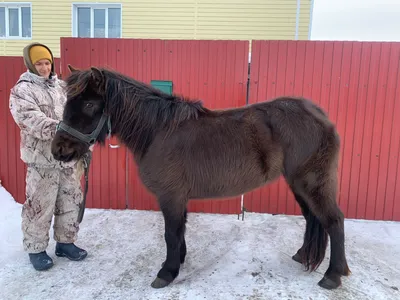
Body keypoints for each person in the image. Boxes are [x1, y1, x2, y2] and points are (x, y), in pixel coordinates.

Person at [9, 42, 89, 271]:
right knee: (40, 205)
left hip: (67, 159)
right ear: (30, 65)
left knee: (70, 201)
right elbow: (29, 120)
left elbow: (76, 115)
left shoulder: (62, 87)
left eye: (47, 62)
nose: (44, 68)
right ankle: (36, 249)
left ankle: (66, 243)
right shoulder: (22, 90)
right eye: (39, 63)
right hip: (41, 160)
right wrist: (63, 129)